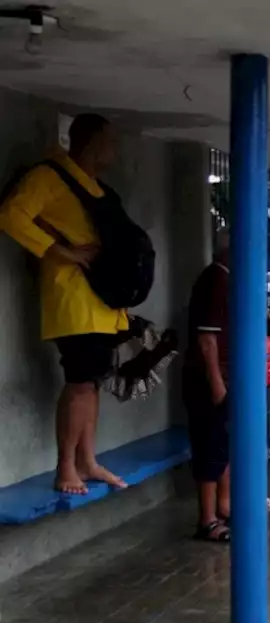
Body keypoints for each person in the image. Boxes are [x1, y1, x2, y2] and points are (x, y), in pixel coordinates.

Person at [0, 113, 128, 495]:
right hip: (72, 296)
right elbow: (9, 216)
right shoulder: (49, 176)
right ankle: (66, 467)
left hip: (103, 301)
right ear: (90, 143)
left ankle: (88, 461)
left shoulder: (96, 186)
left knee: (94, 383)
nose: (115, 150)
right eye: (110, 141)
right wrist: (60, 252)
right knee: (79, 384)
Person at [182, 231, 233, 541]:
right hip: (209, 380)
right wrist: (216, 384)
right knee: (209, 445)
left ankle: (223, 507)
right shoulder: (215, 280)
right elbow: (206, 339)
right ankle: (207, 519)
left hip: (223, 377)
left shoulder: (224, 280)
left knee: (221, 444)